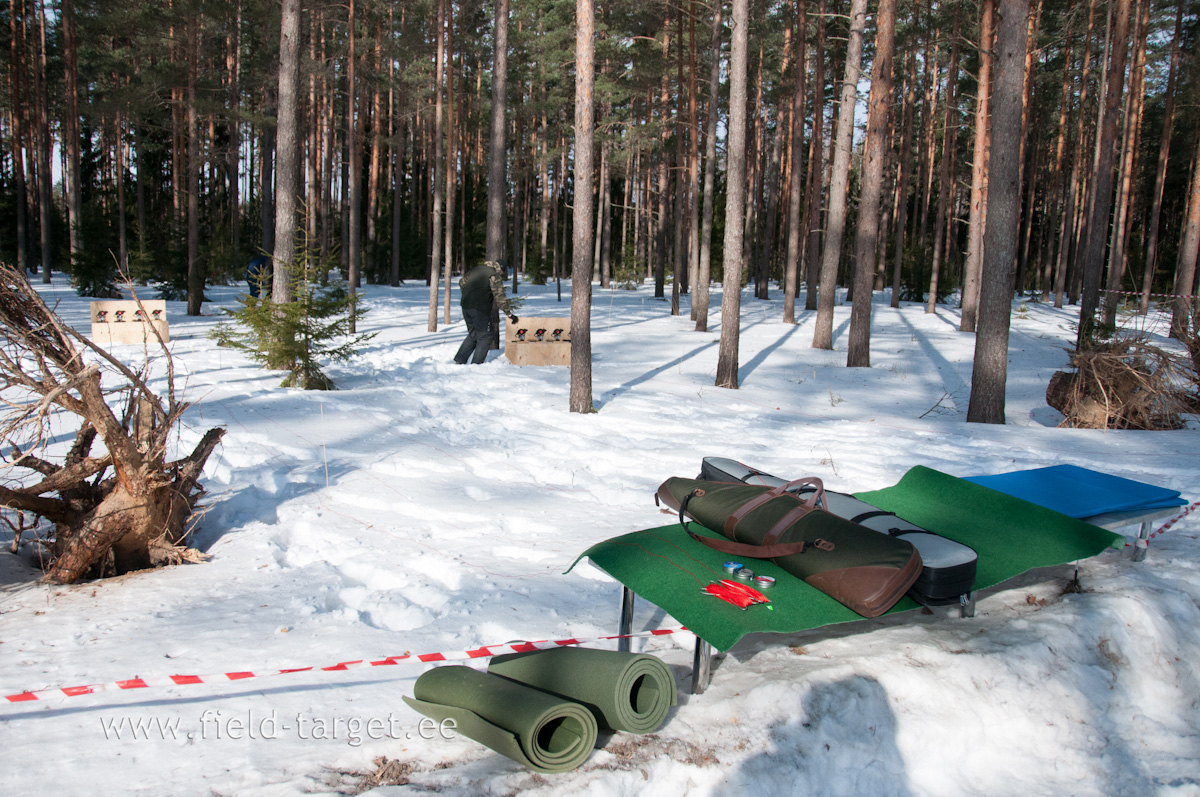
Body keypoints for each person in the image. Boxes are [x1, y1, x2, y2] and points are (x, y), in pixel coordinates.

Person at [455, 260, 518, 365]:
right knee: (485, 336)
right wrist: (508, 313)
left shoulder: (476, 269)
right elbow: (499, 295)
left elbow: (462, 282)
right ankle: (476, 364)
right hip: (479, 308)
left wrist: (468, 295)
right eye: (503, 271)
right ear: (500, 268)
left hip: (465, 306)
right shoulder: (493, 275)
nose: (502, 274)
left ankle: (460, 360)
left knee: (474, 334)